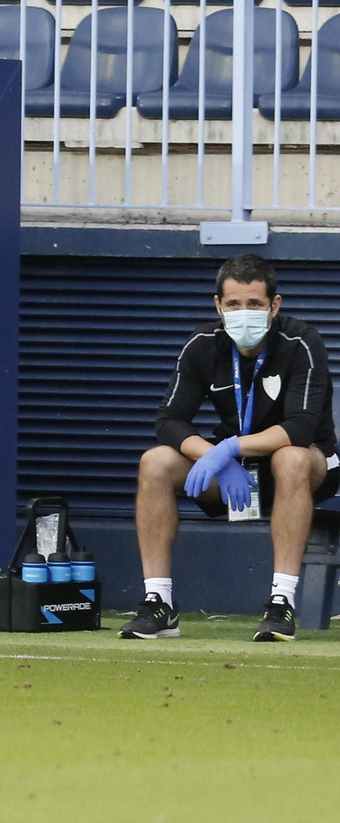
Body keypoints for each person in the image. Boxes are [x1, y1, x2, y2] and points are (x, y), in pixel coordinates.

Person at [123, 254, 338, 643]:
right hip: (232, 472)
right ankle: (159, 603)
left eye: (254, 304)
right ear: (218, 305)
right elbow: (168, 420)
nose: (244, 313)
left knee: (290, 458)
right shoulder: (203, 344)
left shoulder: (302, 342)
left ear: (275, 305)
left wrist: (229, 447)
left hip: (304, 467)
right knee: (155, 462)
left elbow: (301, 428)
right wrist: (214, 457)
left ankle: (281, 602)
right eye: (234, 304)